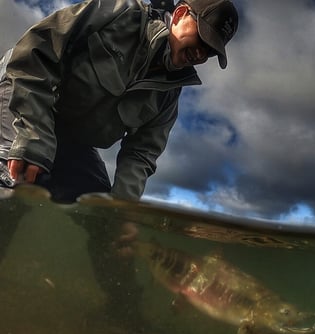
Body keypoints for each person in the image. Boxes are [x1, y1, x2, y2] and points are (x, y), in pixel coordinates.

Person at [0, 0, 239, 203]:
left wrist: (123, 210)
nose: (200, 54)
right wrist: (32, 134)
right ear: (179, 14)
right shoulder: (120, 13)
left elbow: (141, 154)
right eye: (201, 38)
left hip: (73, 139)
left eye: (209, 50)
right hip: (22, 96)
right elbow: (36, 52)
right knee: (20, 176)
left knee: (104, 216)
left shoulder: (169, 94)